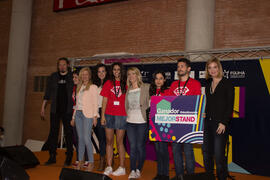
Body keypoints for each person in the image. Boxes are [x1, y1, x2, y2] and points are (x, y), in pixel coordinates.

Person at [169, 58, 201, 179]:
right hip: (175, 123)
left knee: (188, 151)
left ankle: (190, 176)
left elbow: (197, 103)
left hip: (188, 123)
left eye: (182, 66)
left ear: (188, 69)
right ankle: (179, 175)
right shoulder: (173, 85)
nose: (179, 68)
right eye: (178, 66)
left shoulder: (195, 84)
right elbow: (168, 103)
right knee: (176, 151)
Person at [203, 58, 234, 180]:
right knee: (206, 154)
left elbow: (229, 106)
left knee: (219, 156)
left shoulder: (227, 84)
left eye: (214, 67)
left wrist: (224, 123)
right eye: (210, 67)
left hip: (220, 124)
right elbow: (209, 104)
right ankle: (209, 177)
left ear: (219, 68)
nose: (212, 70)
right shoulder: (207, 85)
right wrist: (204, 113)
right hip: (207, 124)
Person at [40, 57, 74, 166]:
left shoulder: (72, 76)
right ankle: (52, 156)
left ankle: (69, 157)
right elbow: (48, 92)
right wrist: (43, 107)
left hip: (68, 110)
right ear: (58, 66)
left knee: (69, 134)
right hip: (55, 110)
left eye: (64, 64)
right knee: (53, 133)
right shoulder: (53, 77)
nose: (62, 67)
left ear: (67, 65)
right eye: (60, 65)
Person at [100, 62, 127, 176]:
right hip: (109, 114)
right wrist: (102, 116)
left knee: (120, 142)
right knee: (109, 141)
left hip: (122, 115)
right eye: (114, 69)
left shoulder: (126, 83)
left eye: (118, 69)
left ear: (121, 71)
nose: (116, 71)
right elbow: (104, 100)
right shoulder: (108, 83)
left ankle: (122, 167)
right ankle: (109, 166)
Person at [71, 67, 99, 171]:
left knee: (87, 138)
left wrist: (95, 117)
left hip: (88, 115)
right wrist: (73, 117)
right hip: (78, 114)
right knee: (80, 139)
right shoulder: (79, 87)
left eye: (86, 74)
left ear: (89, 75)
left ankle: (91, 162)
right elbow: (77, 104)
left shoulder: (93, 87)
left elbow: (95, 103)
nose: (84, 76)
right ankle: (80, 161)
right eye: (82, 74)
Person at [125, 67, 150, 179]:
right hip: (130, 121)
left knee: (140, 146)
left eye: (133, 74)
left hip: (142, 121)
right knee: (133, 146)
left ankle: (139, 168)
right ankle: (132, 170)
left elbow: (152, 102)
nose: (131, 76)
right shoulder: (128, 89)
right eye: (129, 74)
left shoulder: (146, 87)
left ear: (137, 75)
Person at [150, 71, 170, 180]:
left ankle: (165, 174)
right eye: (156, 78)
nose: (158, 80)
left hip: (164, 124)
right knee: (158, 150)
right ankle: (159, 173)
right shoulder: (151, 91)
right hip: (154, 124)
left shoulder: (168, 91)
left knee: (164, 150)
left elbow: (169, 107)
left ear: (164, 80)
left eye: (161, 78)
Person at [93, 63, 110, 171]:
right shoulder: (94, 85)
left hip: (108, 112)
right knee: (100, 137)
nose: (101, 73)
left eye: (103, 71)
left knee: (106, 138)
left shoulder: (109, 83)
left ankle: (104, 160)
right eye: (99, 71)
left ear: (106, 72)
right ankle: (105, 158)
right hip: (97, 112)